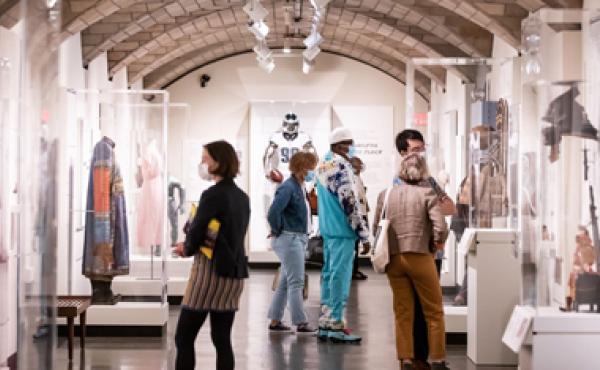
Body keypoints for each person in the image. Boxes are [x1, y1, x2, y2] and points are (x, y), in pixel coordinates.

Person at [172, 140, 250, 370]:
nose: (202, 163)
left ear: (218, 162)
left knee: (184, 337)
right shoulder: (242, 197)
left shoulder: (212, 194)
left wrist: (185, 248)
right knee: (222, 339)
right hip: (234, 274)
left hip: (210, 273)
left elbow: (197, 230)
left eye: (205, 159)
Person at [374, 153, 450, 370]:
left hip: (394, 259)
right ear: (423, 171)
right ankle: (437, 358)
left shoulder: (386, 194)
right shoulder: (427, 193)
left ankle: (405, 358)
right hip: (420, 256)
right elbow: (440, 226)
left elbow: (376, 227)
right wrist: (437, 243)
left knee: (403, 310)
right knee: (433, 310)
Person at [394, 129, 455, 370]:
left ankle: (419, 356)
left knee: (425, 306)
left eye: (422, 148)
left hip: (430, 252)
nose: (419, 154)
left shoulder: (429, 181)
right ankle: (417, 356)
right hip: (413, 251)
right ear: (402, 152)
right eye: (414, 149)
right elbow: (439, 214)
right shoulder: (397, 183)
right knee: (413, 308)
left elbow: (450, 207)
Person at [315, 127, 370, 343]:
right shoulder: (340, 167)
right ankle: (336, 324)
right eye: (349, 143)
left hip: (328, 230)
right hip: (343, 231)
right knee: (340, 276)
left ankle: (326, 322)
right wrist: (364, 235)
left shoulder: (323, 164)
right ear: (338, 146)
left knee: (329, 275)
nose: (352, 147)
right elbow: (349, 203)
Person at [267, 151, 318, 333]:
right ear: (302, 168)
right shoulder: (288, 187)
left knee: (286, 282)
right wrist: (277, 229)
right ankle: (301, 322)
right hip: (290, 238)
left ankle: (275, 320)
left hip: (295, 237)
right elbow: (273, 212)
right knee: (296, 282)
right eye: (311, 167)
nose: (313, 170)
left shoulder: (300, 186)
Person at [350, 156, 369, 280]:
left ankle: (354, 269)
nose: (361, 167)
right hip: (358, 215)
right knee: (354, 245)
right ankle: (353, 270)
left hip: (362, 213)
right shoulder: (352, 179)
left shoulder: (357, 178)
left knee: (356, 245)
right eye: (359, 165)